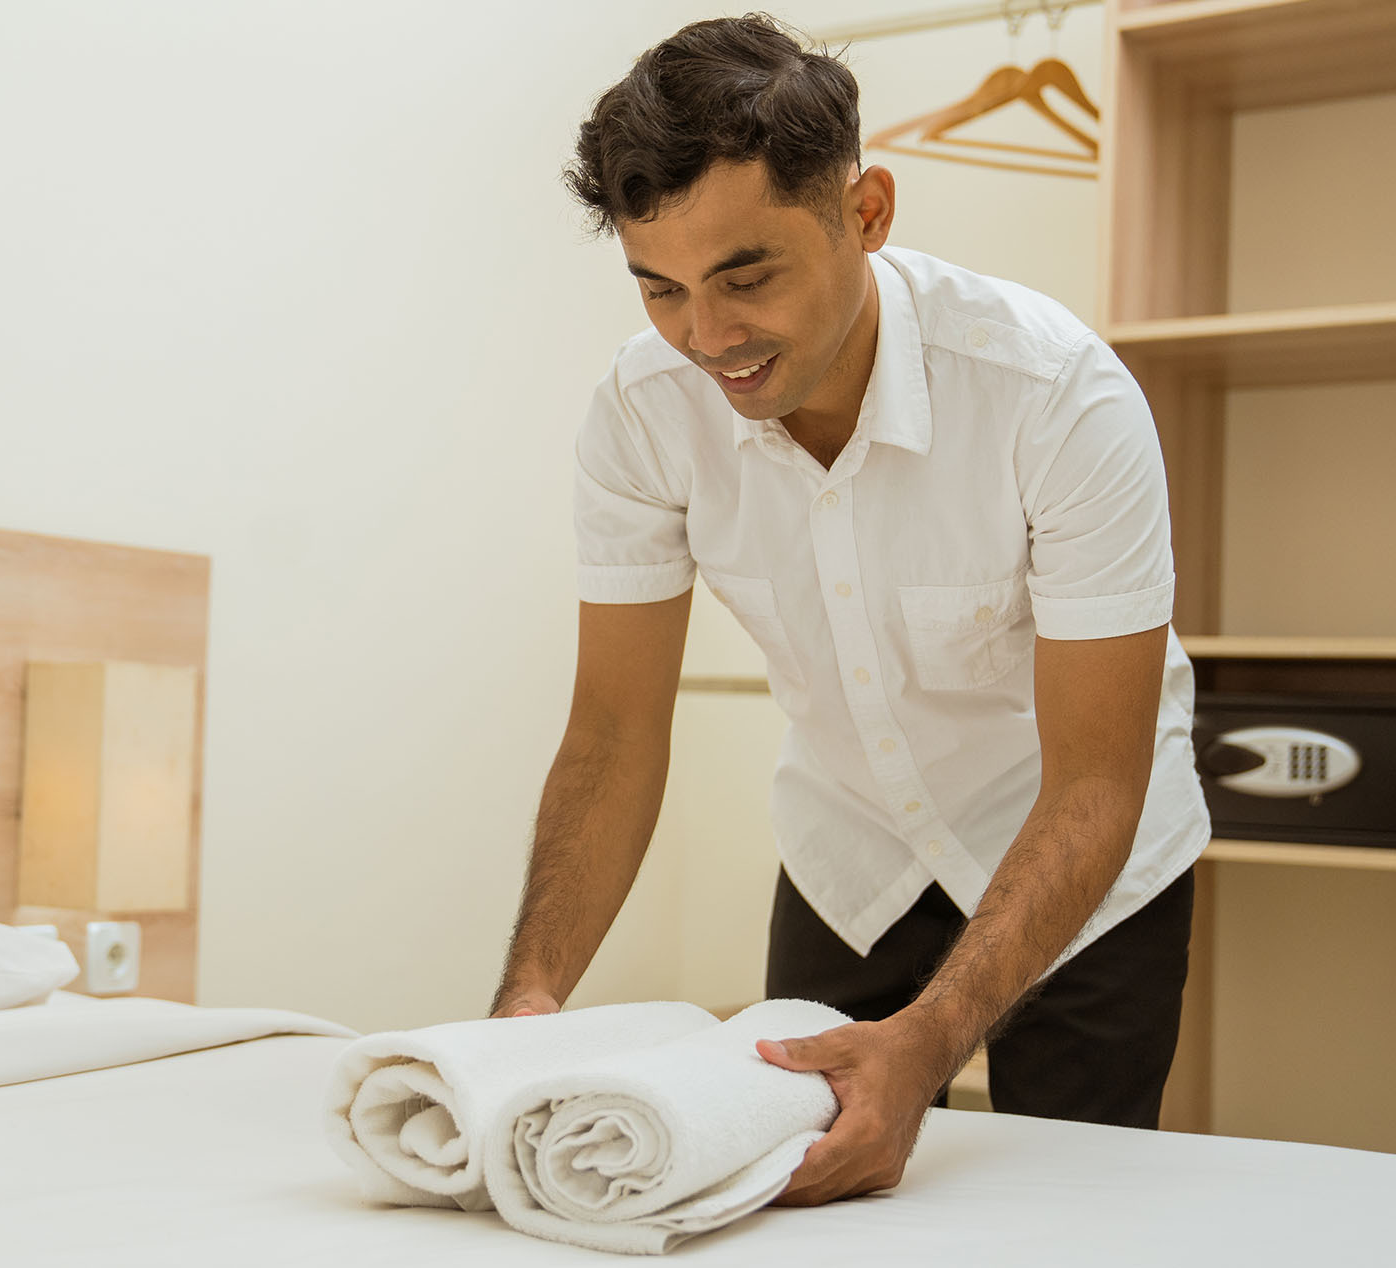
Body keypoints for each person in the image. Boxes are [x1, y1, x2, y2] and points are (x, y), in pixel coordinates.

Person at [488, 14, 1211, 1206]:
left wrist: (930, 1045)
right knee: (792, 1187)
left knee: (1072, 1209)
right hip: (852, 850)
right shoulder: (641, 414)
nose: (707, 339)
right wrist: (528, 1002)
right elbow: (614, 733)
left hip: (1083, 858)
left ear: (866, 212)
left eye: (746, 275)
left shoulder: (1057, 397)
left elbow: (1094, 780)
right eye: (660, 288)